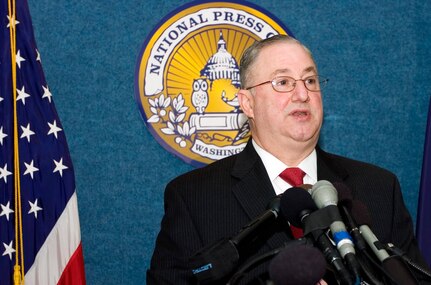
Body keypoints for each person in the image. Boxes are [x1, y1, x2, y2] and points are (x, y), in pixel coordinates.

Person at [147, 35, 430, 284]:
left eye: (310, 80)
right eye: (283, 82)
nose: (303, 94)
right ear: (247, 103)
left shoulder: (379, 188)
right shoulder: (194, 197)